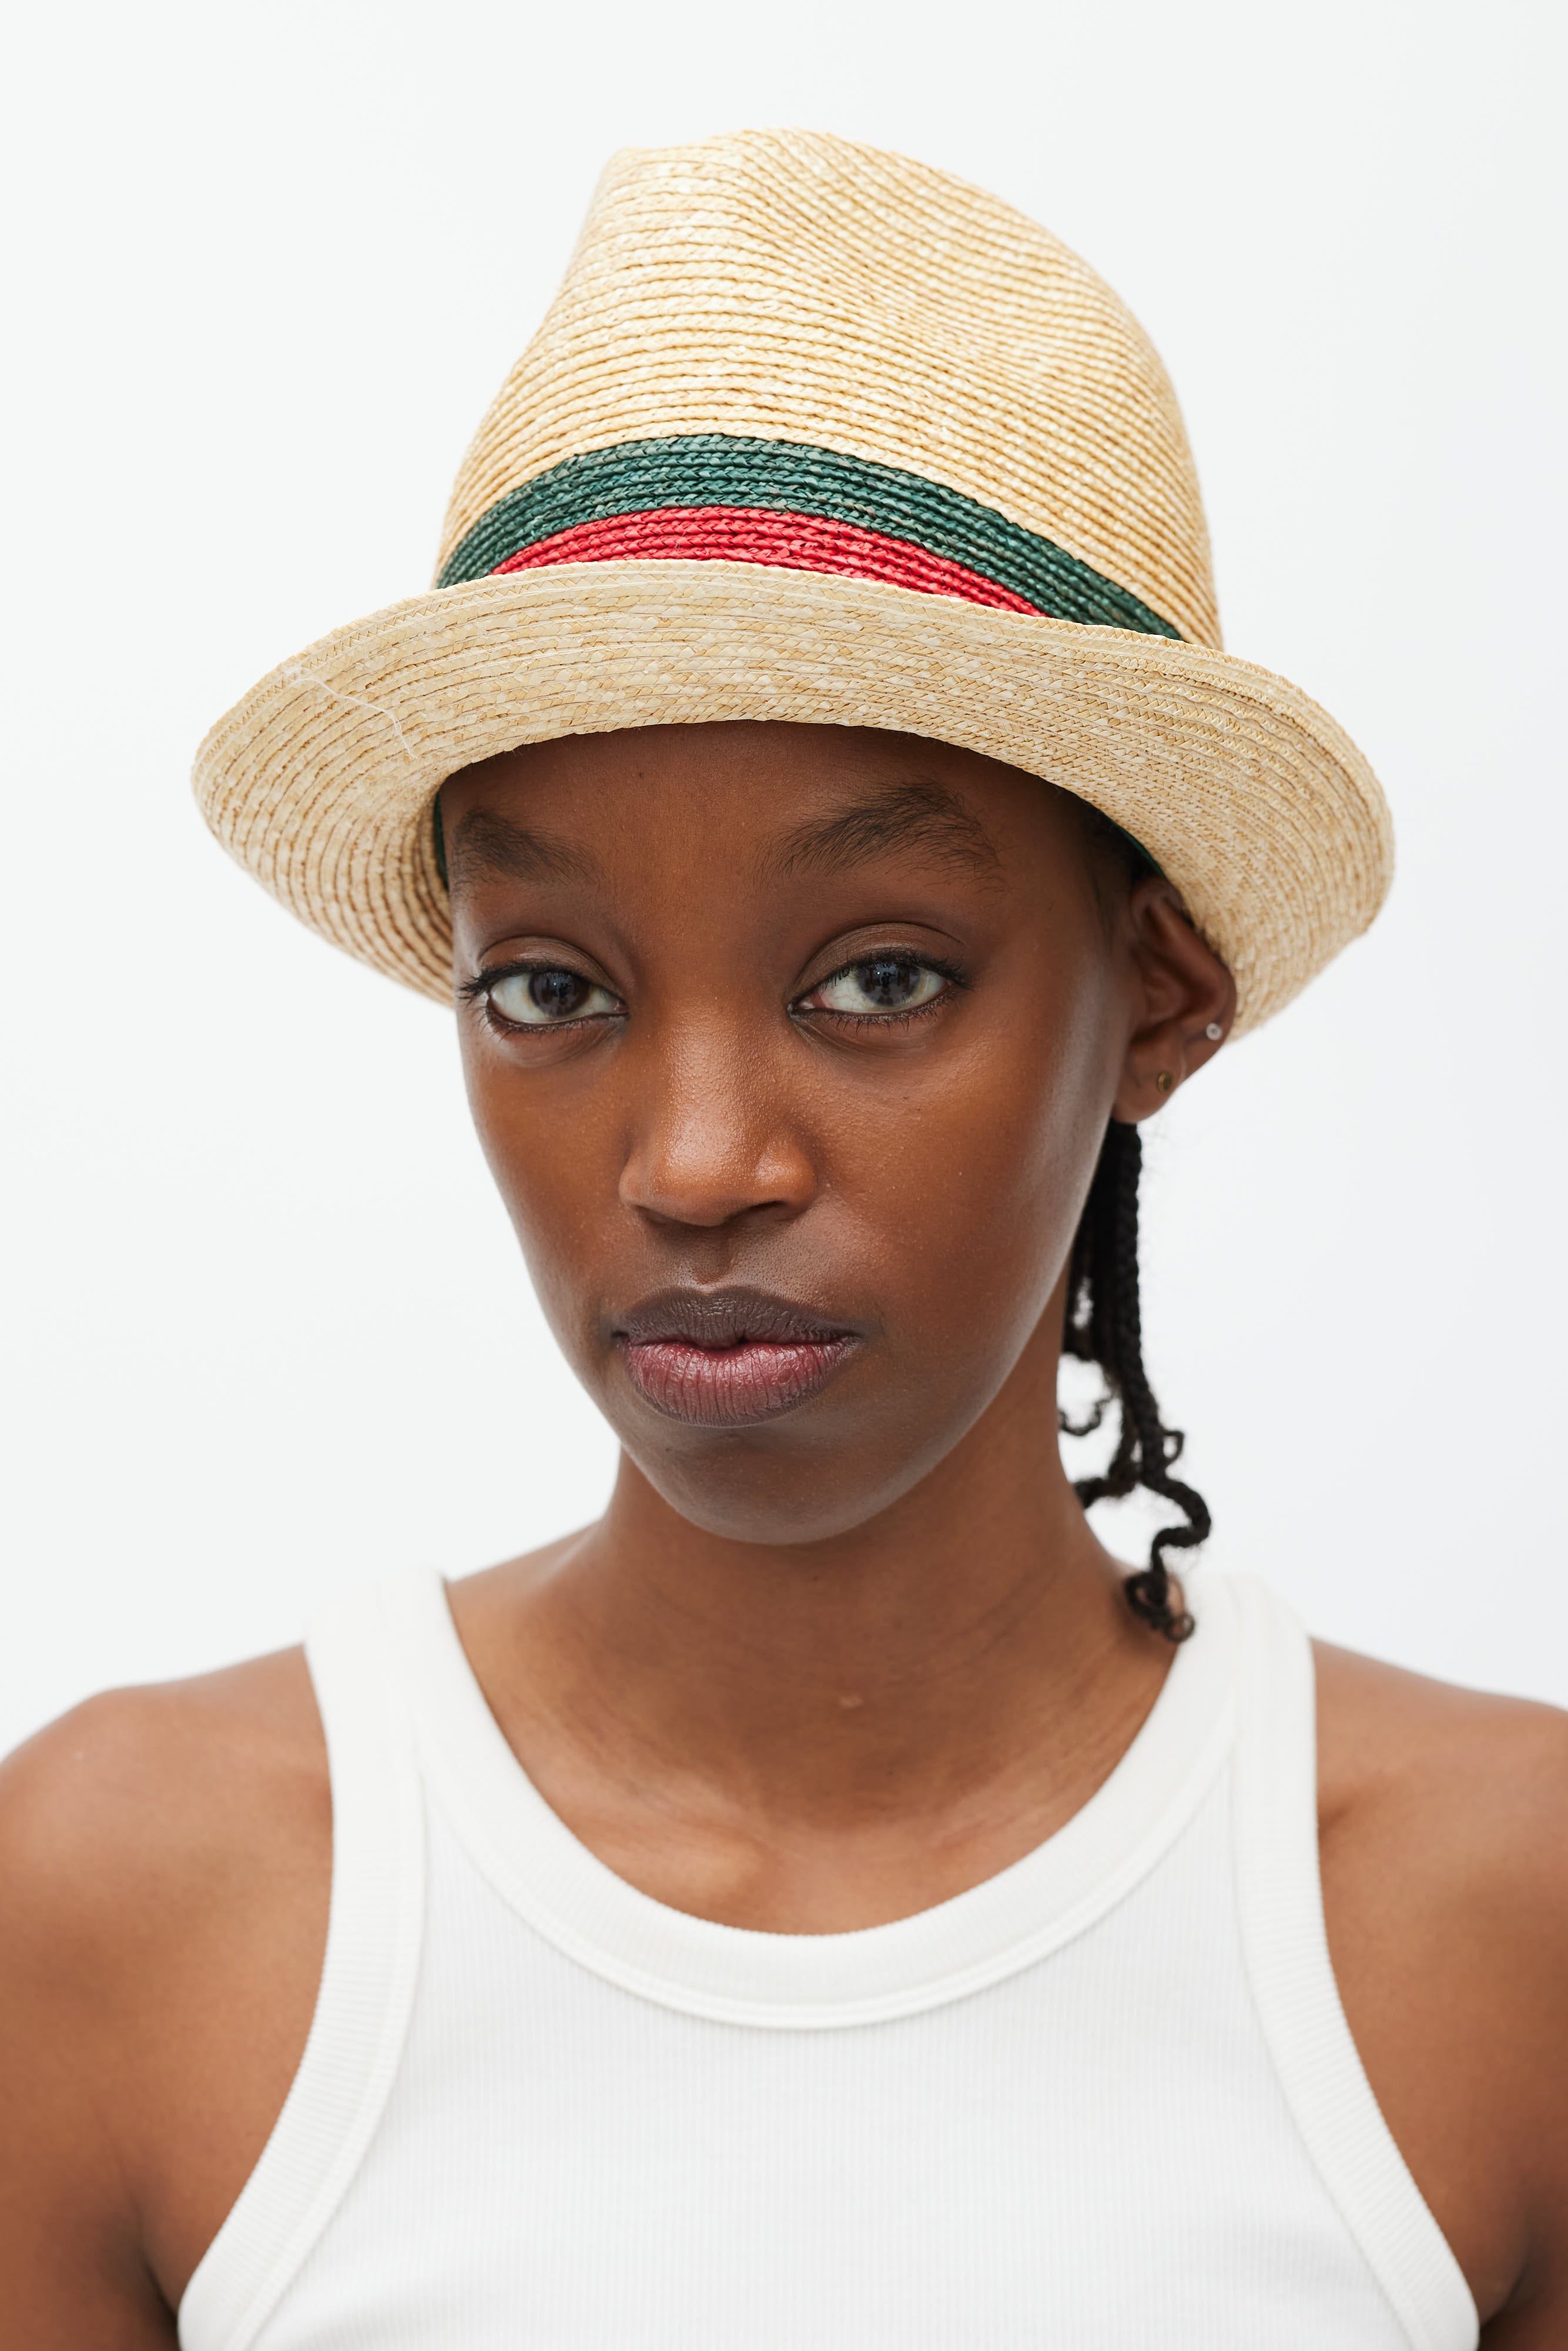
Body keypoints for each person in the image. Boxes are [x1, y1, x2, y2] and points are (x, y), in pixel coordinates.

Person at [1, 126, 1563, 2351]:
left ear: (1158, 997)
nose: (697, 1160)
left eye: (876, 977)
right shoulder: (127, 1915)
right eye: (550, 988)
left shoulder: (1495, 1934)